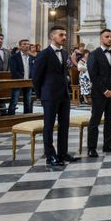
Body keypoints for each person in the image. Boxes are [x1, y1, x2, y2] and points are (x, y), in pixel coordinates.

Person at [31, 25, 78, 167]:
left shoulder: (64, 53)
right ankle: (50, 155)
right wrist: (41, 94)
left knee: (64, 125)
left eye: (65, 34)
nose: (64, 37)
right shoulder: (43, 54)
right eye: (61, 35)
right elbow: (36, 77)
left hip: (64, 94)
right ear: (53, 36)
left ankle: (62, 153)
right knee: (49, 126)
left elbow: (66, 72)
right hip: (49, 95)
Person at [86, 29, 111, 157]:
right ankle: (92, 148)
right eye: (107, 36)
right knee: (95, 120)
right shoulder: (94, 54)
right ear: (101, 38)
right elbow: (93, 75)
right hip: (99, 93)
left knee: (110, 120)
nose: (110, 39)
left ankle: (108, 144)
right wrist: (105, 91)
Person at [8, 39, 34, 115]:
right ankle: (10, 117)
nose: (26, 45)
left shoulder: (31, 57)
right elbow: (14, 71)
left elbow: (33, 69)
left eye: (28, 44)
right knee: (15, 100)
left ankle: (26, 117)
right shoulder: (14, 57)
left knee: (28, 100)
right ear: (19, 46)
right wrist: (22, 80)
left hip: (28, 82)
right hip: (17, 82)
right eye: (24, 44)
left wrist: (31, 78)